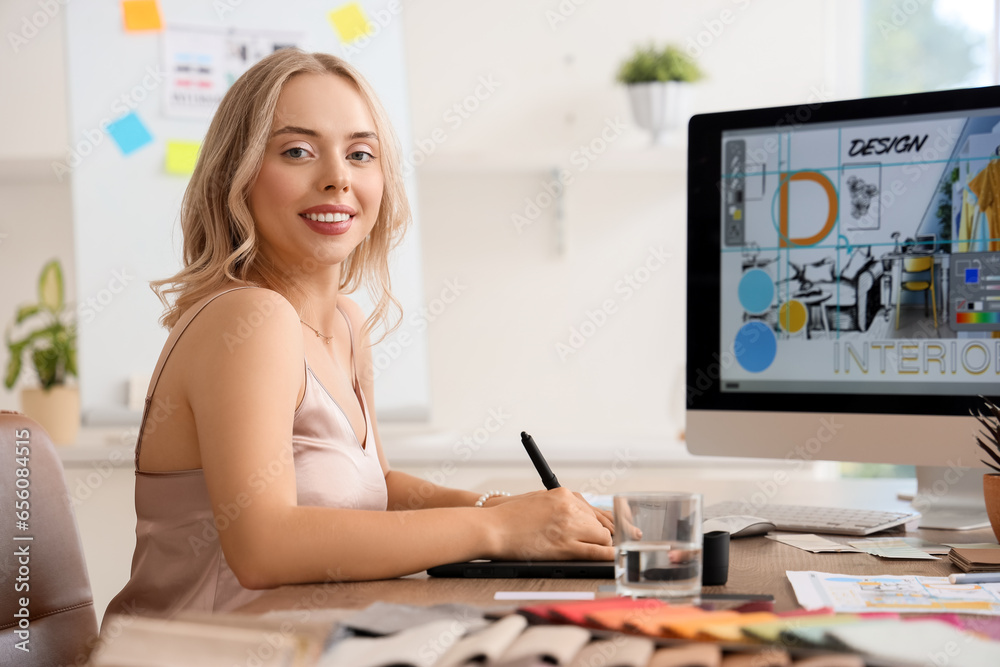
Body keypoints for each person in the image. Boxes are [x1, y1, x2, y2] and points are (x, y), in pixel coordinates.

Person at [103, 49, 613, 623]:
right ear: (236, 175)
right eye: (297, 151)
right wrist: (496, 528)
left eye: (360, 154)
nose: (337, 177)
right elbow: (264, 547)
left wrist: (521, 511)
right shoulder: (248, 319)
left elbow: (378, 488)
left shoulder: (344, 320)